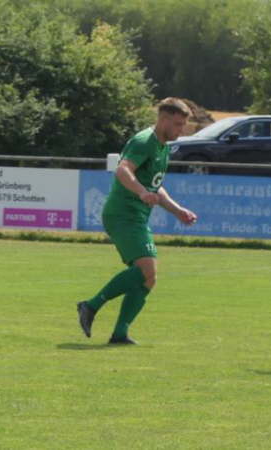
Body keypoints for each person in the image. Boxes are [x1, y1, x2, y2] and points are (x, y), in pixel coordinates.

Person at [77, 97, 198, 344]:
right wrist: (141, 192)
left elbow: (156, 186)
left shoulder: (163, 147)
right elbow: (123, 170)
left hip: (137, 216)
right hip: (122, 213)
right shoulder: (145, 142)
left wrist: (177, 210)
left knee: (149, 278)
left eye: (183, 124)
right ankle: (90, 305)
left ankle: (120, 333)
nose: (181, 129)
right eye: (177, 124)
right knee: (146, 269)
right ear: (163, 119)